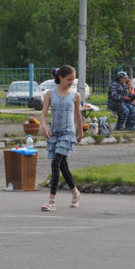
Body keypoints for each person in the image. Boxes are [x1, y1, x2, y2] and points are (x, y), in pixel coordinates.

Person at [39, 65, 84, 211]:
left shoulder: (75, 95)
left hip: (67, 133)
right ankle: (75, 192)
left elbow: (78, 115)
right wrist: (44, 126)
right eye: (69, 79)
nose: (71, 82)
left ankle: (51, 201)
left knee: (56, 162)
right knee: (62, 165)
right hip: (54, 133)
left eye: (73, 79)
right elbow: (44, 114)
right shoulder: (50, 93)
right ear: (61, 78)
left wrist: (81, 131)